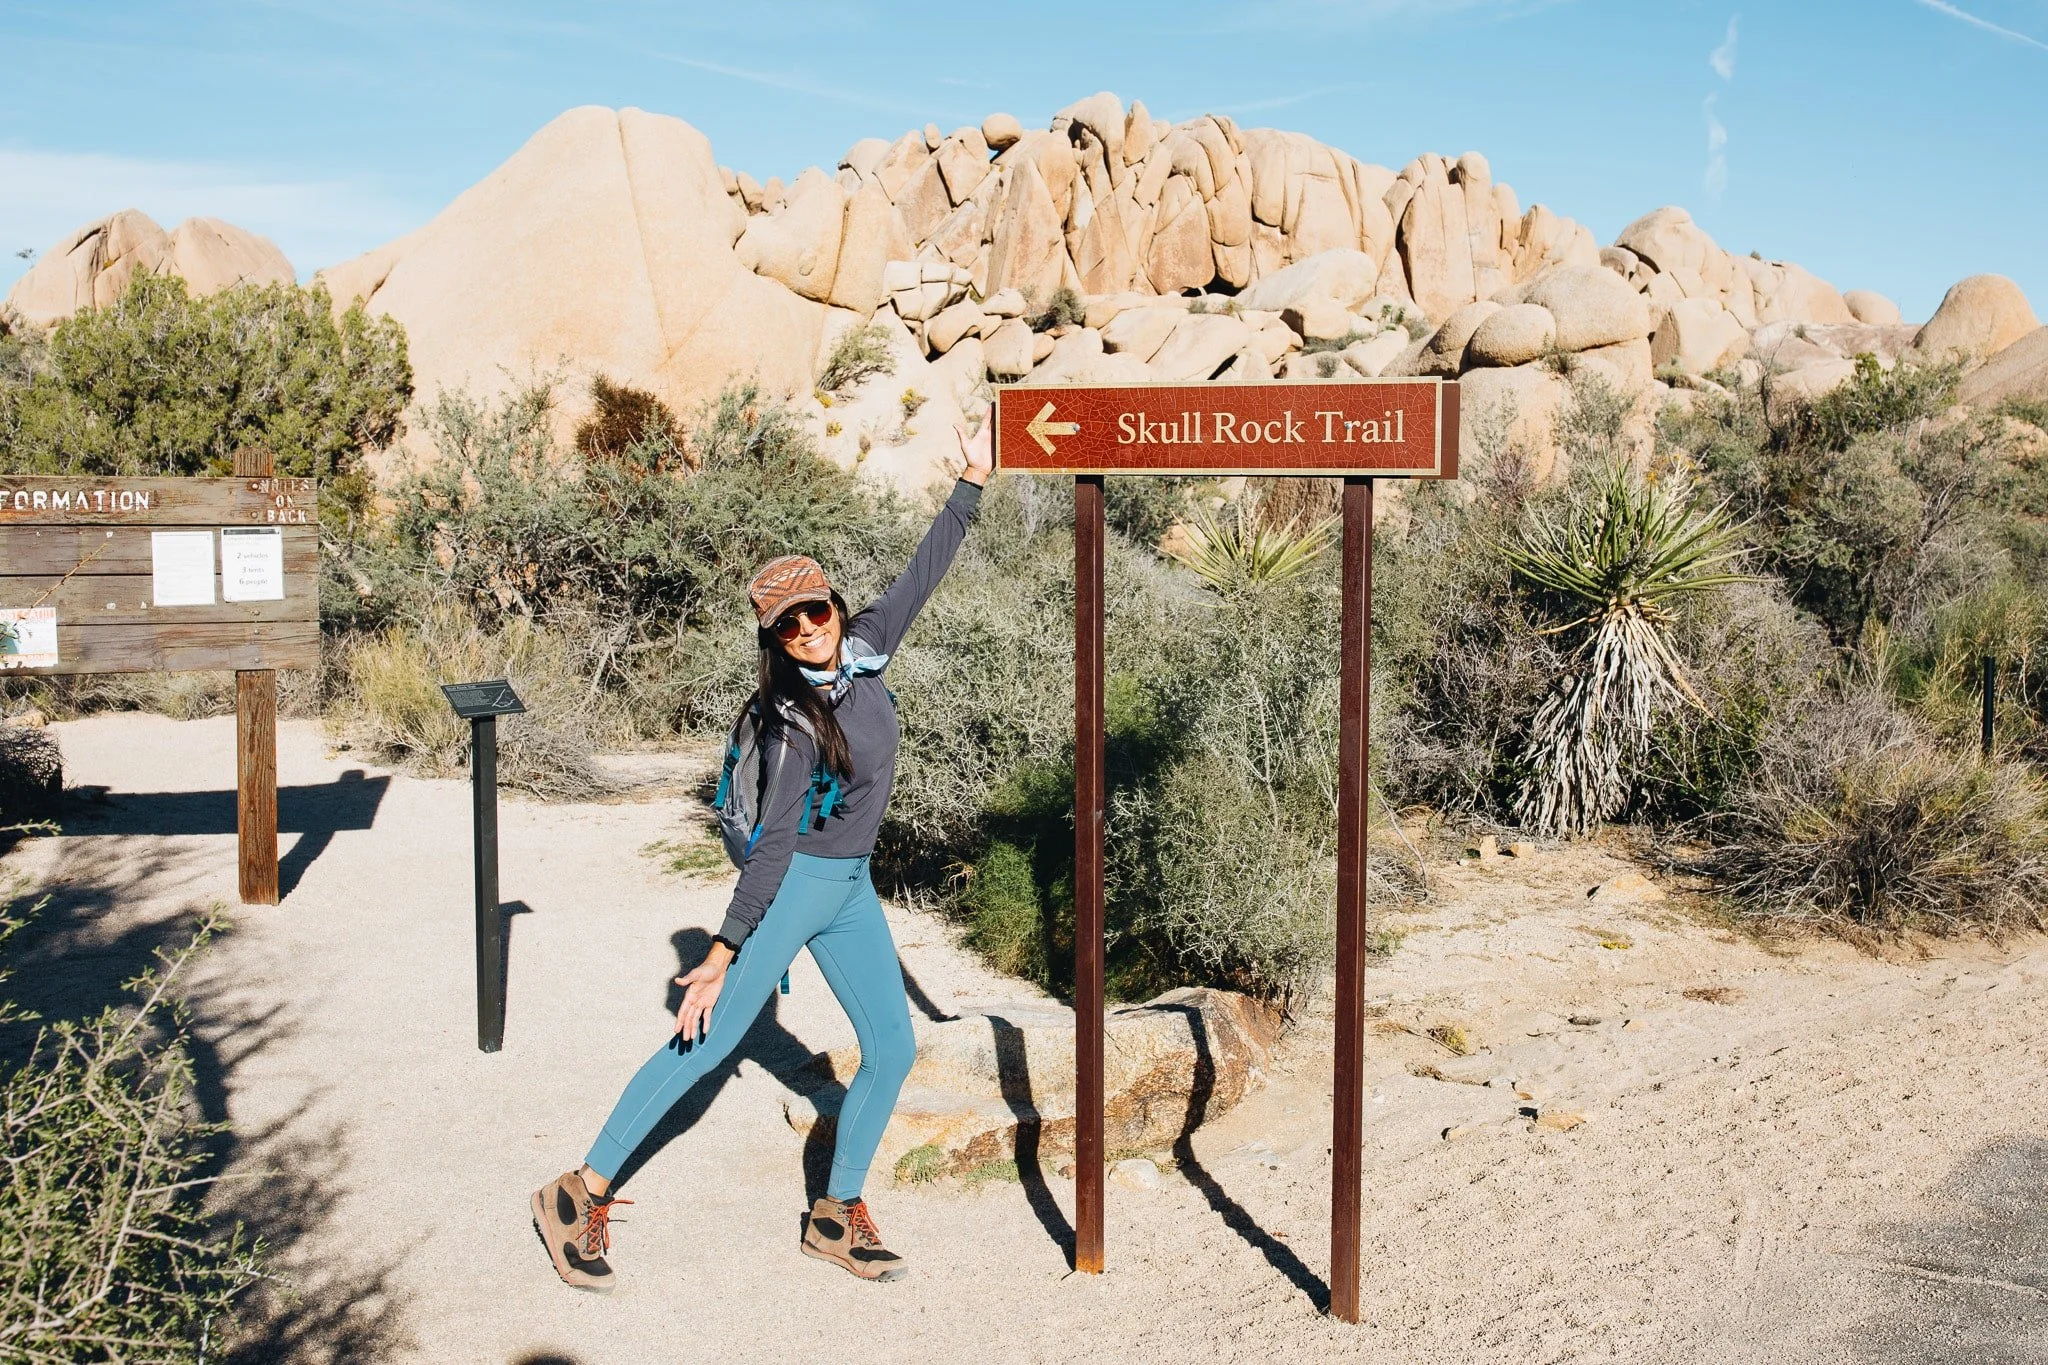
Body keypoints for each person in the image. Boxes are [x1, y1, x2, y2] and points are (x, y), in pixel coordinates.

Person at [532, 423, 994, 1293]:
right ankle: (575, 1192)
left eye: (817, 609)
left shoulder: (865, 648)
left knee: (891, 1047)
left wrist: (970, 480)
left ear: (834, 606)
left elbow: (922, 575)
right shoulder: (789, 724)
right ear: (774, 640)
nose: (810, 629)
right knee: (704, 1045)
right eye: (790, 624)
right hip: (798, 887)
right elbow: (775, 842)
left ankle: (835, 1213)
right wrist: (722, 951)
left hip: (851, 887)